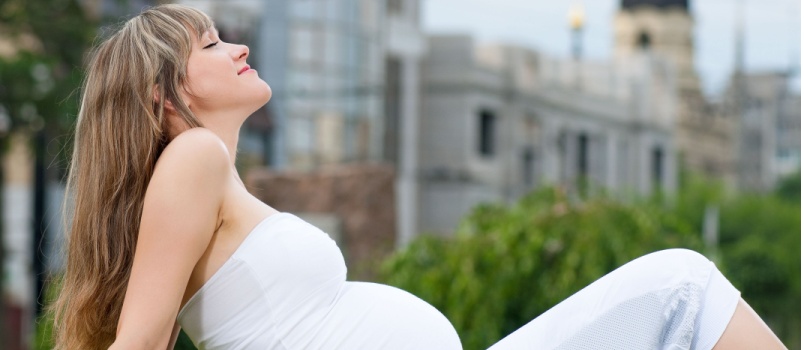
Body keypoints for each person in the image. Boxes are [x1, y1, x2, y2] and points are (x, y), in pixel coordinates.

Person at [51, 4, 786, 350]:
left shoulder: (214, 176)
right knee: (682, 288)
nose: (236, 45)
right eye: (211, 43)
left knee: (682, 297)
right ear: (163, 93)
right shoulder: (194, 159)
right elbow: (140, 343)